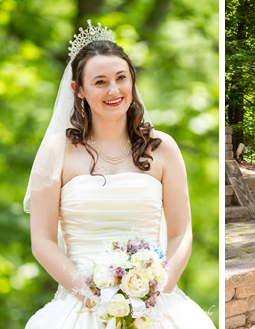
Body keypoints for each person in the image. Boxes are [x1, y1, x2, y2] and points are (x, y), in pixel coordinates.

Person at [24, 21, 214, 328]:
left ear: (132, 80)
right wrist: (97, 300)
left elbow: (181, 233)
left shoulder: (163, 148)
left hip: (155, 304)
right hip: (83, 302)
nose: (114, 90)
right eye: (100, 82)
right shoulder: (56, 150)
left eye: (121, 78)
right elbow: (42, 242)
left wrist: (153, 296)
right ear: (79, 90)